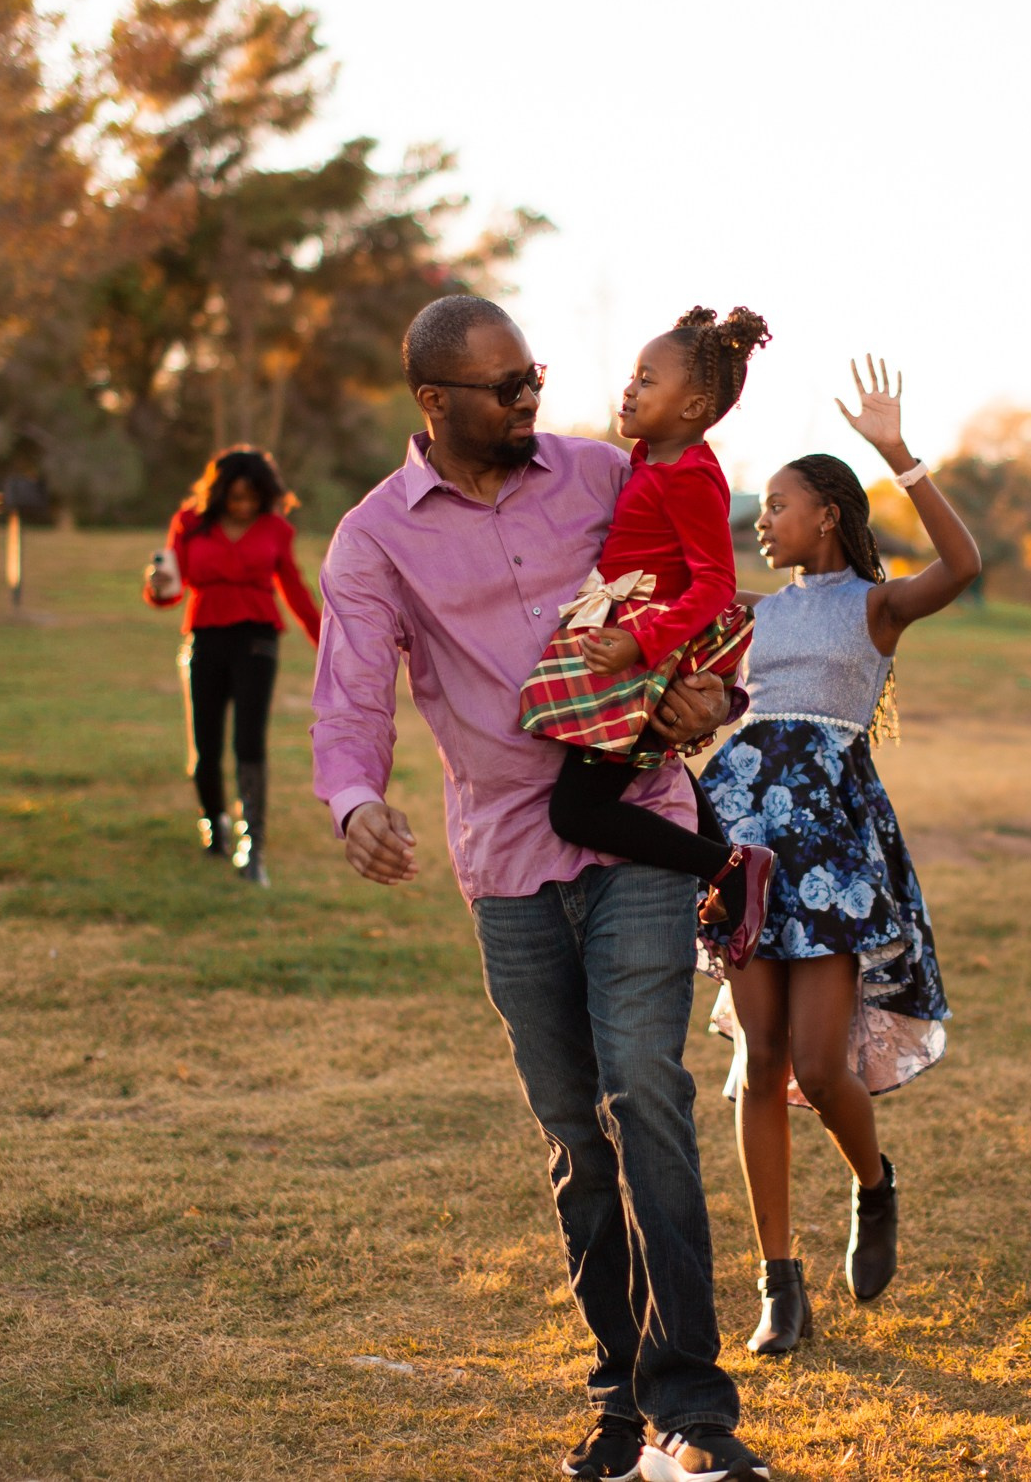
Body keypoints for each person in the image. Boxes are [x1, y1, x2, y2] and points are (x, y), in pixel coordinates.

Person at [311, 295, 773, 1482]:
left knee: (644, 1088)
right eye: (506, 387)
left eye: (534, 377)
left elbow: (706, 598)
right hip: (508, 860)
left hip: (634, 824)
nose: (532, 399)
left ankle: (695, 1406)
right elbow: (352, 687)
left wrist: (714, 696)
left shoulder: (601, 474)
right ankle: (621, 1395)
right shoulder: (374, 537)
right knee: (577, 1131)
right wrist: (357, 800)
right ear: (435, 402)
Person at [697, 358, 980, 1357]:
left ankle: (874, 1182)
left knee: (819, 1064)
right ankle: (780, 1283)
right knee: (757, 1059)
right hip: (744, 833)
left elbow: (963, 563)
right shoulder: (756, 612)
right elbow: (705, 691)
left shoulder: (876, 605)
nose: (763, 520)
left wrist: (899, 452)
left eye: (778, 504)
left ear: (826, 513)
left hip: (828, 838)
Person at [521, 305, 778, 959]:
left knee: (576, 812)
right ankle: (731, 870)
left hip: (648, 645)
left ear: (692, 406)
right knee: (645, 761)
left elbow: (716, 583)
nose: (629, 389)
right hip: (626, 630)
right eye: (633, 376)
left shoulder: (691, 474)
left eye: (647, 380)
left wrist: (643, 643)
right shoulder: (650, 457)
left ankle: (727, 866)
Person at [145, 445, 320, 885]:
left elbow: (295, 589)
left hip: (257, 641)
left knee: (249, 742)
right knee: (205, 746)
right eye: (235, 497)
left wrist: (329, 642)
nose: (243, 507)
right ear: (219, 493)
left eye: (252, 498)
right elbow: (170, 590)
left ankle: (253, 844)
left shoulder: (276, 529)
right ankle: (213, 824)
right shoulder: (189, 523)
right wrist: (156, 588)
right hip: (205, 638)